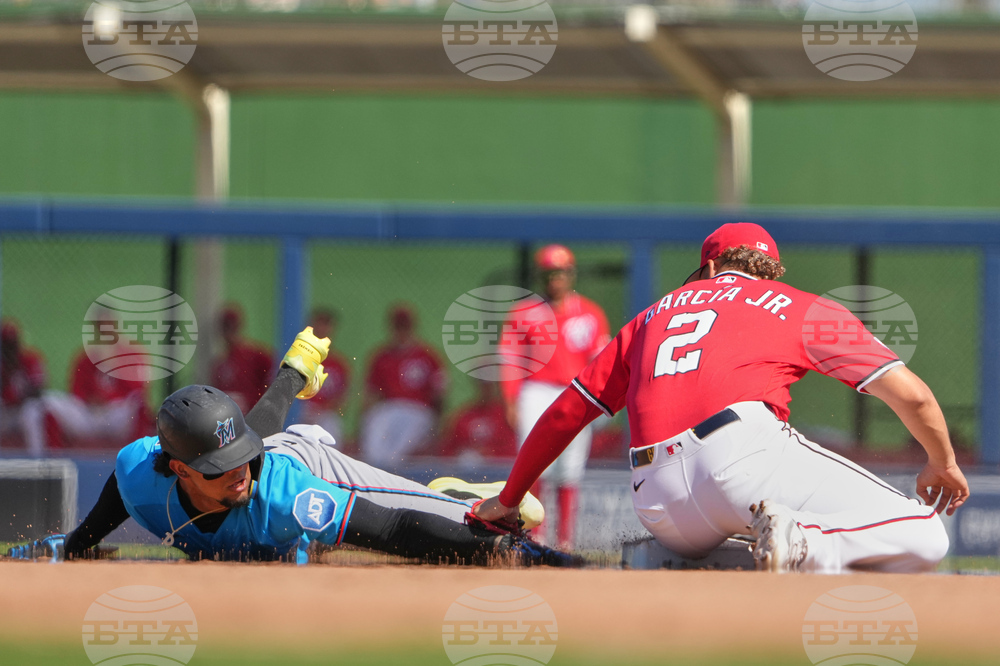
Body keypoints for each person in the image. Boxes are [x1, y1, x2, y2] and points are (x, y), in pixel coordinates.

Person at [477, 223, 970, 573]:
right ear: (771, 270)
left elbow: (565, 412)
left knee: (748, 530)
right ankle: (805, 545)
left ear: (709, 264)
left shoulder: (649, 317)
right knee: (922, 532)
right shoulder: (794, 304)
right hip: (741, 457)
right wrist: (942, 461)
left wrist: (509, 498)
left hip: (657, 504)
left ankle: (670, 556)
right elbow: (916, 398)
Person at [30, 327, 570, 566]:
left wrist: (523, 556)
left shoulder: (286, 492)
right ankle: (294, 373)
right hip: (274, 494)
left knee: (491, 525)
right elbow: (118, 495)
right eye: (221, 466)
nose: (239, 470)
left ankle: (458, 499)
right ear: (177, 469)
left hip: (309, 464)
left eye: (238, 457)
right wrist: (76, 544)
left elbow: (391, 529)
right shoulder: (139, 471)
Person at [500, 244, 609, 549]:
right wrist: (510, 399)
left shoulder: (590, 313)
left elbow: (601, 361)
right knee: (535, 464)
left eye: (560, 272)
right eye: (549, 273)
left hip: (577, 392)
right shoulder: (524, 312)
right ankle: (534, 535)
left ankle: (564, 541)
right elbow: (510, 361)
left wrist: (602, 404)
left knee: (570, 469)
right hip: (535, 390)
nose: (554, 279)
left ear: (570, 274)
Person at [359, 304, 446, 466]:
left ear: (413, 326)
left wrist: (437, 425)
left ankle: (389, 477)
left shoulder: (428, 356)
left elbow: (440, 395)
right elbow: (369, 395)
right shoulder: (381, 356)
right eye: (398, 326)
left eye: (405, 326)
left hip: (419, 410)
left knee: (397, 451)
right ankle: (375, 475)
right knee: (375, 433)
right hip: (389, 408)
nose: (401, 331)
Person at [42, 346, 152, 447]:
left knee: (139, 401)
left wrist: (109, 399)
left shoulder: (128, 359)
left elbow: (136, 391)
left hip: (114, 415)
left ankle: (138, 455)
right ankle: (51, 457)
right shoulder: (86, 359)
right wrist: (90, 399)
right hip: (88, 414)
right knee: (47, 400)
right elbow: (77, 391)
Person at [299, 308, 351, 446]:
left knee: (331, 424)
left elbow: (343, 400)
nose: (322, 329)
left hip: (325, 414)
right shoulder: (298, 358)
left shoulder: (339, 363)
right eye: (319, 324)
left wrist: (324, 408)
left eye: (326, 325)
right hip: (301, 411)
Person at [210, 304, 274, 413]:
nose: (228, 333)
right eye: (225, 327)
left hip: (252, 420)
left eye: (231, 327)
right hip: (229, 422)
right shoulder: (219, 364)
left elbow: (273, 386)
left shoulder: (258, 356)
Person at [437, 379, 517, 463]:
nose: (486, 389)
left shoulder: (504, 415)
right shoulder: (466, 415)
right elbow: (448, 449)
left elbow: (511, 450)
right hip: (468, 469)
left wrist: (490, 453)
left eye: (489, 385)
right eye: (483, 385)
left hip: (497, 468)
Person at [0, 320, 46, 456]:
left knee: (31, 412)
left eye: (12, 344)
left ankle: (37, 459)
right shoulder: (2, 364)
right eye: (7, 345)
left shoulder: (30, 358)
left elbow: (39, 391)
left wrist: (19, 397)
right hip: (5, 413)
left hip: (22, 411)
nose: (10, 349)